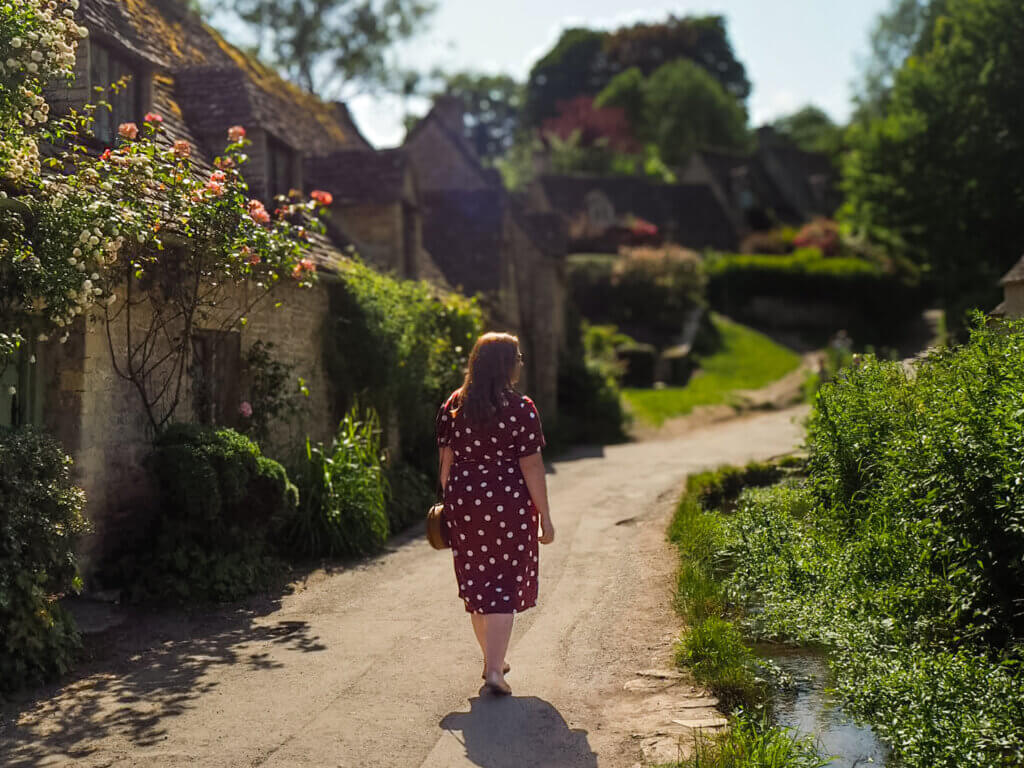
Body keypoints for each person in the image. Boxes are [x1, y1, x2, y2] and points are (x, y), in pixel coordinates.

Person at [435, 332, 555, 696]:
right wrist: (545, 517)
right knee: (503, 585)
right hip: (509, 506)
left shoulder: (454, 405)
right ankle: (493, 671)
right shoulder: (521, 408)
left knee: (478, 584)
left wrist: (454, 503)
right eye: (517, 357)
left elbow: (445, 465)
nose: (520, 362)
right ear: (506, 364)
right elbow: (532, 466)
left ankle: (493, 660)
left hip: (465, 504)